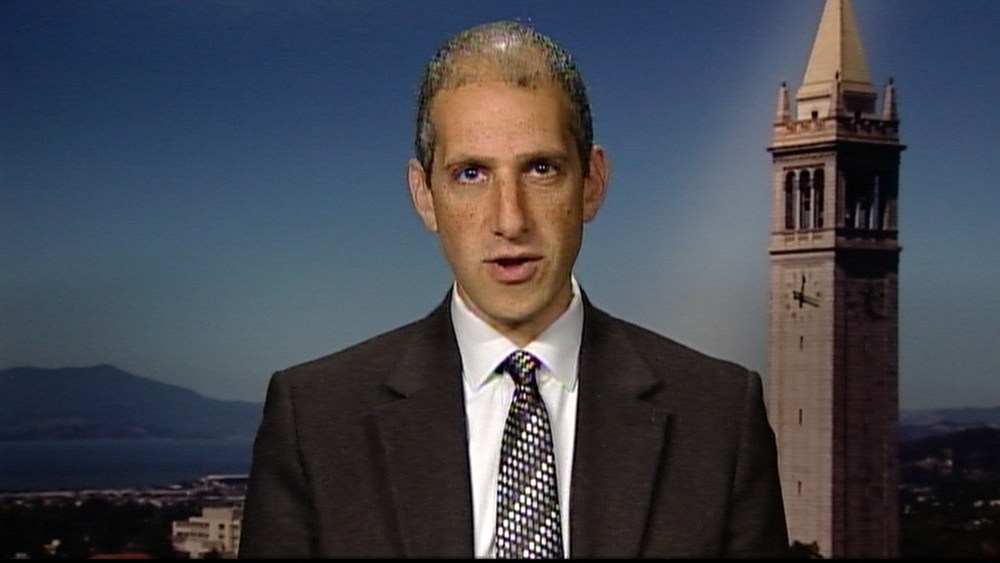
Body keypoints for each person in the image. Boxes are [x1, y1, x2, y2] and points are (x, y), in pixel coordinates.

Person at [239, 20, 788, 559]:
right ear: (424, 195)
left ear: (591, 183)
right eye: (471, 174)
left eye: (541, 169)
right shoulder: (314, 420)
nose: (510, 219)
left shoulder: (719, 418)